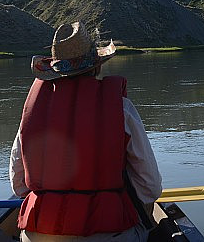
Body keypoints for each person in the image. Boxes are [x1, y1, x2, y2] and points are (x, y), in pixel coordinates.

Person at [9, 21, 162, 242]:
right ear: (97, 66)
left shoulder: (33, 113)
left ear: (54, 72)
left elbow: (19, 186)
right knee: (147, 224)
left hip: (39, 236)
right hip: (109, 234)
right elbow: (150, 188)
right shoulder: (121, 108)